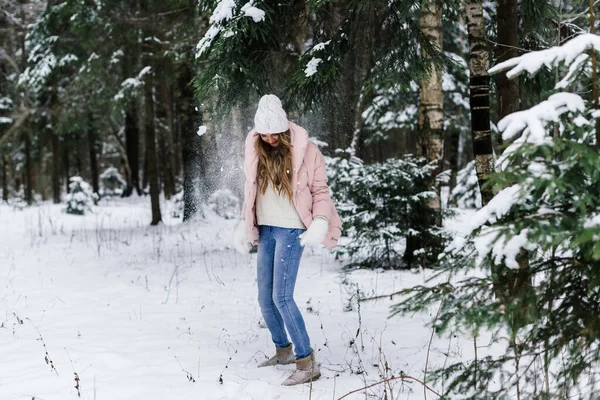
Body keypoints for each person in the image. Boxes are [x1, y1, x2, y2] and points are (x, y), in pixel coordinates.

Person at [234, 94, 341, 386]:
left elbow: (320, 190)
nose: (269, 138)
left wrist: (320, 221)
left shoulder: (308, 151)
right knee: (265, 299)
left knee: (282, 297)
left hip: (293, 229)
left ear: (284, 129)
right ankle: (283, 350)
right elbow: (250, 191)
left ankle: (307, 362)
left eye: (274, 133)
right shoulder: (254, 149)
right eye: (264, 133)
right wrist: (245, 225)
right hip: (266, 229)